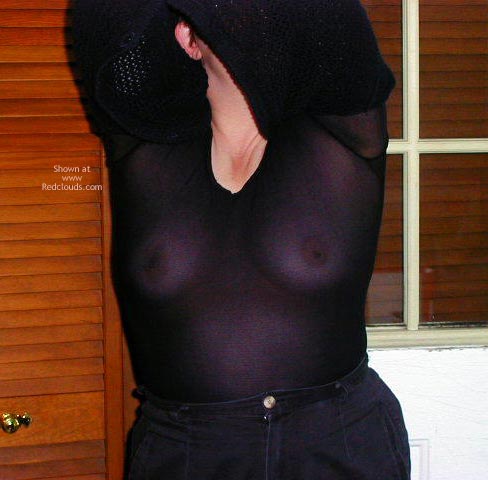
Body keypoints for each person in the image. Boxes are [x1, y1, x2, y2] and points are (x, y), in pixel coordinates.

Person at [73, 1, 411, 479]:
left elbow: (338, 24)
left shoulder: (341, 135)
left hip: (337, 444)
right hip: (186, 454)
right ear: (187, 38)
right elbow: (104, 21)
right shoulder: (144, 148)